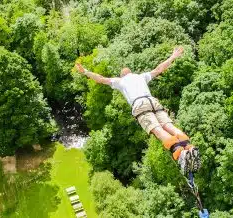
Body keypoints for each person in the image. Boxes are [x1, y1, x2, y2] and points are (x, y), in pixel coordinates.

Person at [75, 46, 200, 174]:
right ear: (131, 72)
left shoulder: (121, 81)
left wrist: (85, 71)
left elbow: (101, 79)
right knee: (168, 125)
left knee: (157, 129)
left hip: (140, 105)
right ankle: (189, 147)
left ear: (122, 75)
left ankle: (179, 151)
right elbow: (159, 69)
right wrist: (173, 56)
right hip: (153, 101)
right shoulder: (142, 76)